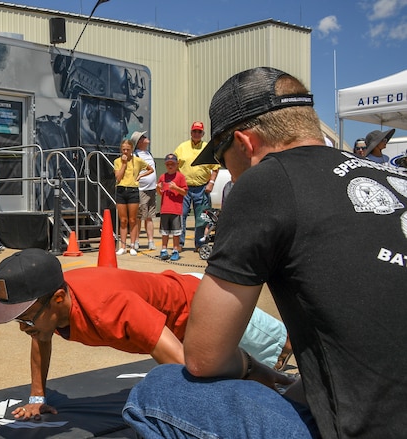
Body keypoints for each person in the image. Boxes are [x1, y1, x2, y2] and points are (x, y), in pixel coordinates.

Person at [122, 67, 407, 438]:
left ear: (245, 143)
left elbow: (204, 357)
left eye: (223, 160)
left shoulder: (266, 181)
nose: (228, 172)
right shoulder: (392, 178)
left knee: (158, 390)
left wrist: (253, 370)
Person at [0, 248, 291, 421]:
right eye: (17, 319)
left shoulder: (112, 308)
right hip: (174, 317)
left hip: (201, 304)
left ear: (59, 299)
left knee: (281, 351)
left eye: (27, 317)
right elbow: (41, 338)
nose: (25, 328)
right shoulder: (48, 310)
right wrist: (37, 396)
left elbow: (184, 365)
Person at [173, 121, 219, 251]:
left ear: (203, 133)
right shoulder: (182, 147)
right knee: (181, 215)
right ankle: (179, 244)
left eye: (199, 131)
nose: (197, 134)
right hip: (184, 189)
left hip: (202, 188)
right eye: (194, 131)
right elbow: (173, 165)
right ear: (191, 132)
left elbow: (215, 168)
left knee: (202, 218)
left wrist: (211, 183)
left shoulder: (208, 148)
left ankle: (199, 244)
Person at [113, 139, 151, 255]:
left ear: (132, 150)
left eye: (128, 150)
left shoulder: (138, 161)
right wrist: (124, 164)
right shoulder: (117, 161)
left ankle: (133, 245)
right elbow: (118, 177)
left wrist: (140, 176)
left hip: (133, 190)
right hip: (121, 189)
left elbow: (150, 169)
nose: (125, 152)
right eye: (123, 149)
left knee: (132, 219)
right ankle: (123, 246)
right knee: (123, 220)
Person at [157, 153, 187, 261]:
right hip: (165, 209)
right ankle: (164, 249)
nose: (170, 166)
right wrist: (158, 188)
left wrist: (176, 188)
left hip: (176, 209)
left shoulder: (180, 177)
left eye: (172, 164)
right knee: (165, 232)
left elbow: (184, 192)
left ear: (177, 165)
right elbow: (161, 193)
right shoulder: (162, 177)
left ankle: (175, 250)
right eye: (168, 164)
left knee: (176, 232)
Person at [131, 131, 157, 251]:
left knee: (149, 217)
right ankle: (136, 241)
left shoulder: (148, 153)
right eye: (143, 137)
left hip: (152, 189)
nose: (146, 138)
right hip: (141, 190)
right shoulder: (135, 155)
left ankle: (150, 241)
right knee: (139, 217)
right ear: (139, 142)